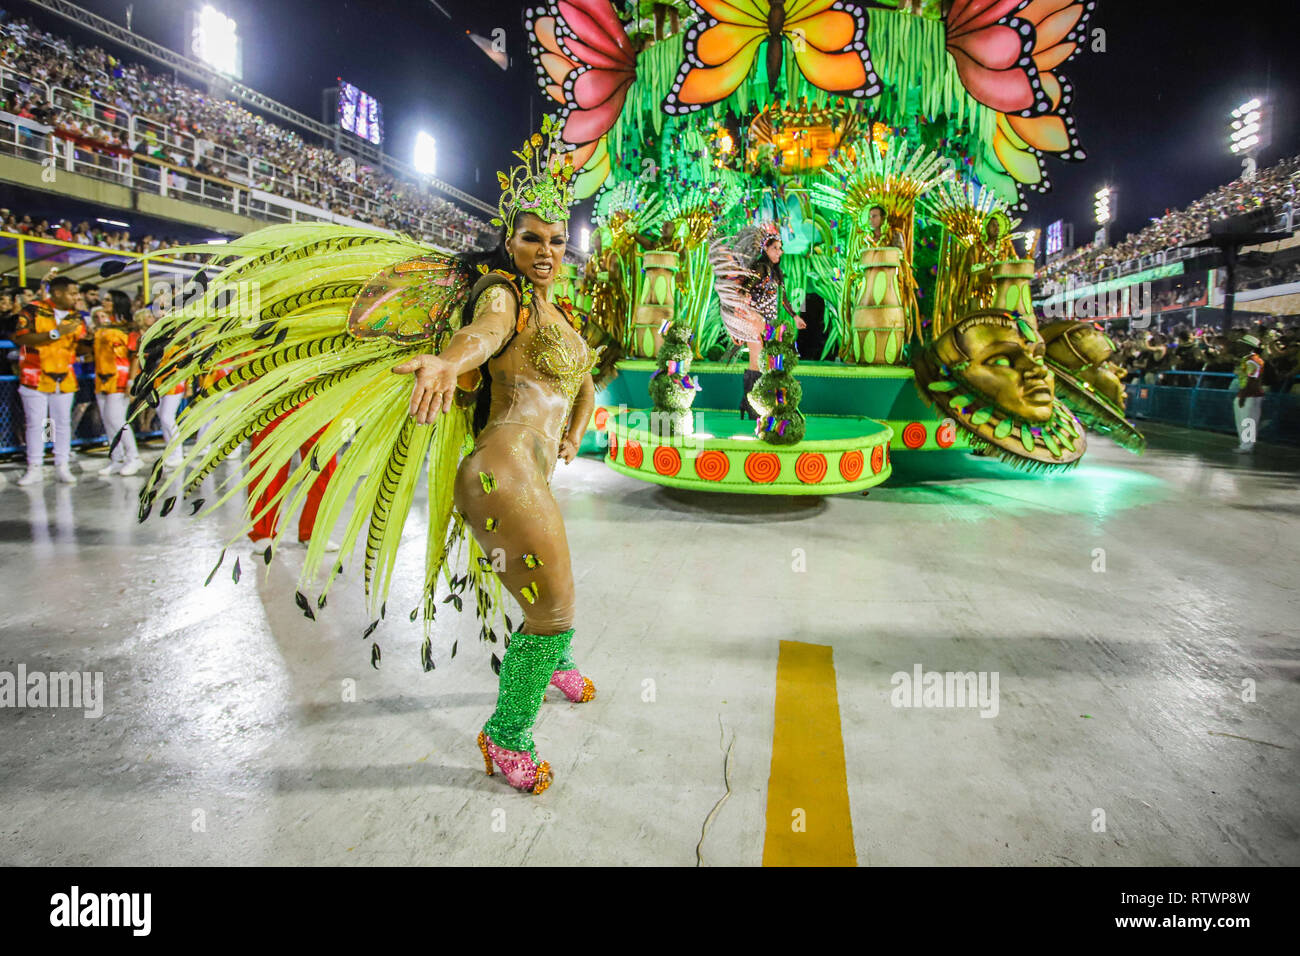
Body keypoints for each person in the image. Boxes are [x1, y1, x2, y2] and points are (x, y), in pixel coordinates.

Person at [132, 119, 603, 795]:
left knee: (550, 591)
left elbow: (583, 379)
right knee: (552, 609)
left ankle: (547, 662)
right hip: (504, 473)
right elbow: (484, 332)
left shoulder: (560, 316)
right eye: (532, 237)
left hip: (533, 471)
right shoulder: (504, 296)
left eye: (557, 239)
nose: (547, 250)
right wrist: (448, 361)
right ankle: (506, 737)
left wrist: (574, 430)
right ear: (509, 239)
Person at [10, 275, 87, 485]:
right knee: (37, 423)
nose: (76, 297)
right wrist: (55, 333)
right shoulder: (33, 309)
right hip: (35, 375)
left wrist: (89, 344)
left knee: (61, 423)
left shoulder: (76, 316)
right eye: (72, 293)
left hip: (64, 377)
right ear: (58, 292)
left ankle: (61, 464)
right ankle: (35, 465)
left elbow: (79, 346)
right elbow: (20, 337)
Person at [737, 226, 805, 418]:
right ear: (766, 249)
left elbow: (783, 298)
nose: (779, 252)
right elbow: (744, 290)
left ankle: (751, 402)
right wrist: (747, 310)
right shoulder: (760, 267)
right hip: (755, 321)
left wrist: (795, 316)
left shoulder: (776, 272)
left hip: (769, 324)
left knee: (768, 363)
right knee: (757, 363)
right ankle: (751, 406)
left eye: (780, 248)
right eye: (775, 248)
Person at [91, 289, 142, 476]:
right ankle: (116, 458)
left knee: (117, 420)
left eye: (108, 300)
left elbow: (135, 356)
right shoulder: (102, 327)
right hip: (101, 378)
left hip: (119, 378)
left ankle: (133, 457)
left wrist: (132, 382)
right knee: (108, 421)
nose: (103, 302)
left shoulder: (129, 328)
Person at [1232, 334, 1266, 453]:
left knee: (1248, 421)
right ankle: (1244, 445)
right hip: (1244, 393)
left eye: (1241, 345)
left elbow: (1252, 379)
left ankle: (1247, 446)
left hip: (1251, 394)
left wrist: (1244, 396)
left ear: (1248, 346)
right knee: (1242, 420)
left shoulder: (1254, 360)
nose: (1238, 347)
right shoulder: (1246, 359)